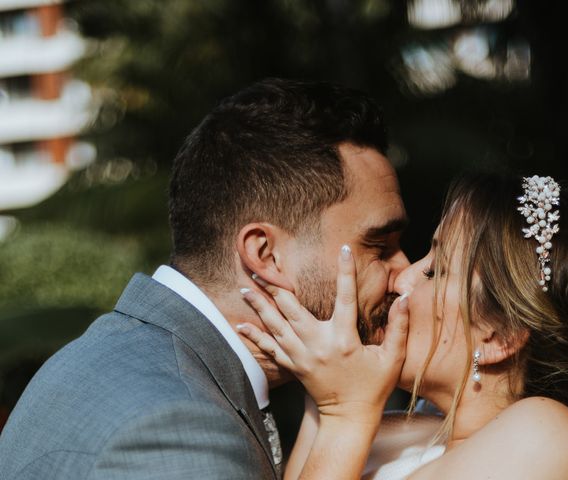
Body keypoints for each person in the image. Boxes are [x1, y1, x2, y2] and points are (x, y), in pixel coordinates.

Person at [0, 78, 410, 479]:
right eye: (379, 246)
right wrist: (346, 413)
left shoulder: (128, 356)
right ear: (265, 254)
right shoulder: (176, 428)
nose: (404, 270)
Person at [239, 172, 568, 479]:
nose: (402, 279)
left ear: (500, 336)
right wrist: (325, 392)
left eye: (437, 270)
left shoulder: (546, 435)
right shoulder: (388, 427)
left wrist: (345, 413)